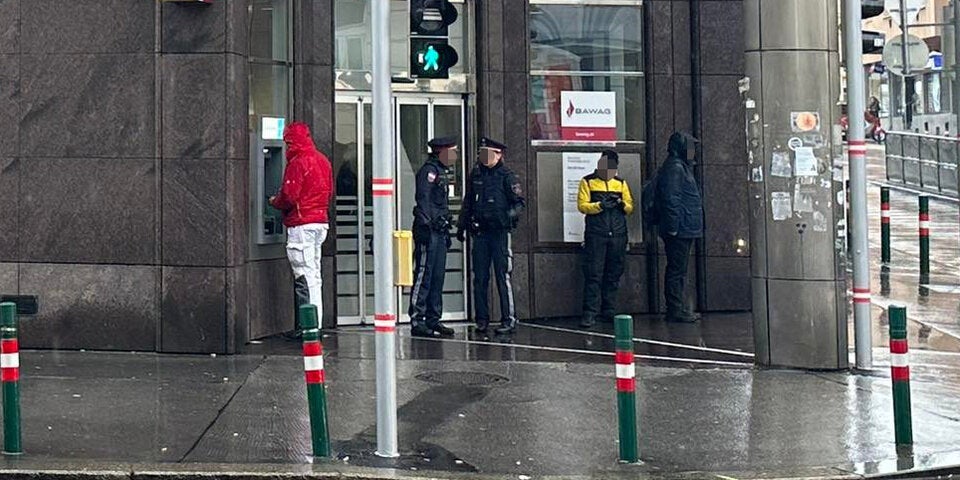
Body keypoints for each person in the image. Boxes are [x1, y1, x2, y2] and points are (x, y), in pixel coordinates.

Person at [269, 122, 334, 336]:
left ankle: (309, 327)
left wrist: (274, 202)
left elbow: (289, 196)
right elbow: (329, 192)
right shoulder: (323, 160)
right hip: (320, 222)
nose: (286, 147)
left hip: (302, 223)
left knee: (304, 276)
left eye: (288, 143)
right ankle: (316, 324)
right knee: (314, 276)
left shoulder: (298, 162)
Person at [457, 137, 525, 336]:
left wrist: (506, 217)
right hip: (481, 233)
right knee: (480, 278)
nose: (484, 157)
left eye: (488, 154)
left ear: (498, 155)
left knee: (503, 277)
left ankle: (508, 320)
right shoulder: (476, 174)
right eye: (482, 153)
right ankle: (482, 320)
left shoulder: (507, 176)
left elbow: (519, 203)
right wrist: (462, 225)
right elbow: (468, 202)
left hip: (500, 233)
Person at [577, 150, 635, 329]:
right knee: (593, 273)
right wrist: (600, 205)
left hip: (617, 234)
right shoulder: (588, 181)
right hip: (596, 233)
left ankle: (608, 310)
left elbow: (630, 206)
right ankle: (590, 312)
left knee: (613, 273)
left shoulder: (621, 183)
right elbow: (582, 206)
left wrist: (621, 204)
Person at [409, 136, 459, 338]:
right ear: (442, 152)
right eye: (452, 152)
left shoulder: (442, 172)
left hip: (440, 231)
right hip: (428, 231)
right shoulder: (428, 171)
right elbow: (423, 200)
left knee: (438, 276)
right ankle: (417, 319)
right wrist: (428, 224)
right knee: (424, 274)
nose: (455, 156)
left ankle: (433, 318)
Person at [656, 132, 704, 323]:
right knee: (676, 270)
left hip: (684, 227)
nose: (693, 152)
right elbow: (671, 198)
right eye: (690, 148)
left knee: (679, 270)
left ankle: (678, 307)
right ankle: (675, 308)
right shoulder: (675, 168)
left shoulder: (680, 166)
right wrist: (673, 227)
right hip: (680, 228)